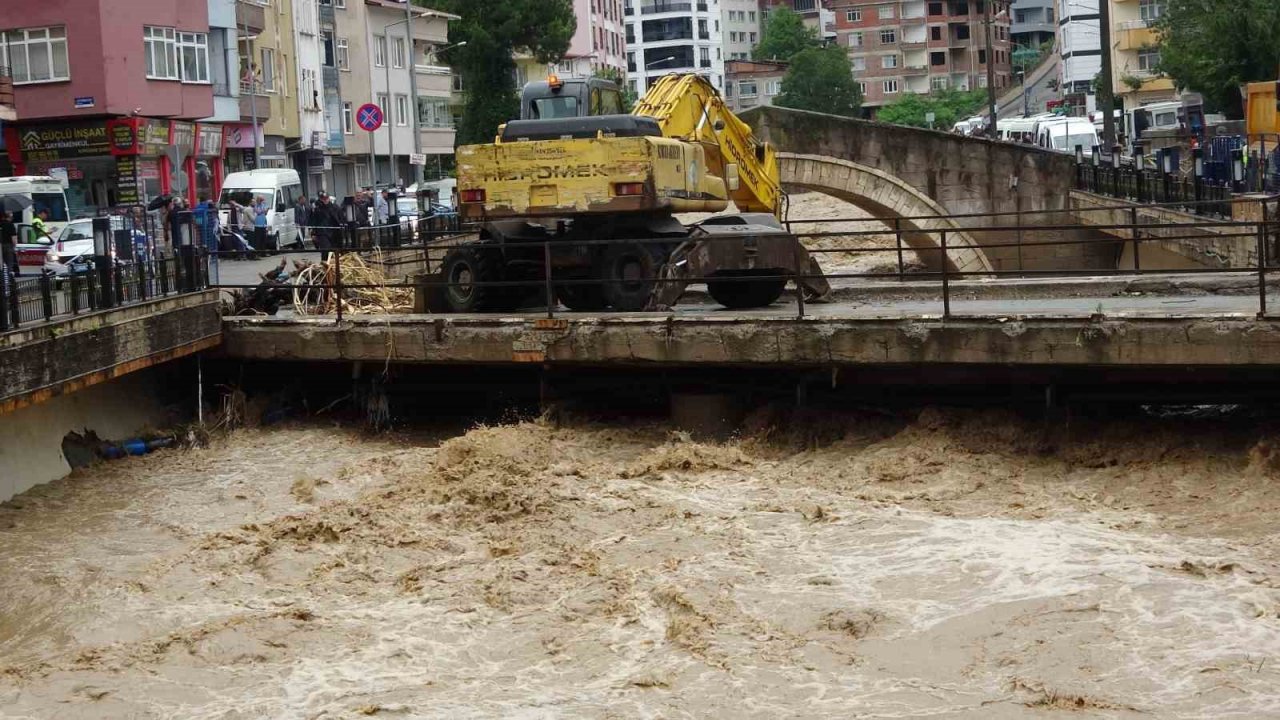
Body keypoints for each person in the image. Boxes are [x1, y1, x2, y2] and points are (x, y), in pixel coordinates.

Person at [310, 191, 344, 263]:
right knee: (326, 250)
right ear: (321, 199)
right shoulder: (318, 209)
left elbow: (341, 219)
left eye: (326, 198)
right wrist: (313, 233)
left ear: (329, 198)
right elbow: (314, 222)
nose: (325, 200)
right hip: (323, 233)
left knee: (336, 250)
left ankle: (336, 265)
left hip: (334, 233)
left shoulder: (335, 207)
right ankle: (325, 264)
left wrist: (342, 227)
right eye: (323, 198)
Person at [0, 211, 17, 278]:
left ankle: (2, 278)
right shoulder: (11, 225)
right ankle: (8, 278)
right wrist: (14, 247)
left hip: (0, 245)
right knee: (9, 263)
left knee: (1, 264)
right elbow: (14, 238)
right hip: (8, 246)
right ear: (10, 217)